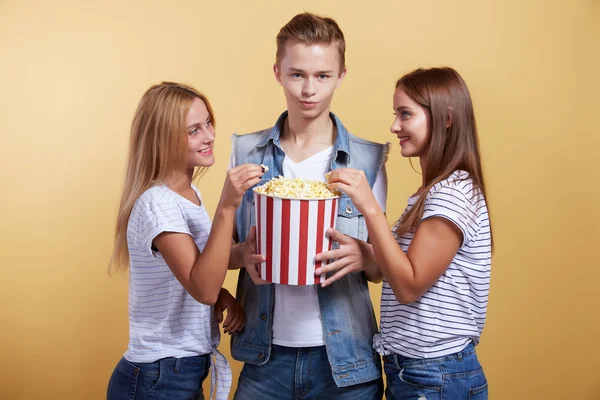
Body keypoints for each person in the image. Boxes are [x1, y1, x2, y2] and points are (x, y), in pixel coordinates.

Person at [229, 12, 388, 400]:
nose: (309, 90)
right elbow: (225, 252)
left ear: (341, 75)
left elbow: (383, 269)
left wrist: (363, 255)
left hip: (346, 363)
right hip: (265, 359)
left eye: (322, 76)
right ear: (278, 72)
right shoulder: (246, 152)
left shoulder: (367, 160)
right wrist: (242, 255)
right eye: (297, 74)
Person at [326, 67, 492, 399]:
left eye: (406, 114)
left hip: (436, 374)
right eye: (395, 114)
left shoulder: (452, 195)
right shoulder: (434, 192)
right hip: (418, 372)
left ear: (446, 118)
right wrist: (368, 256)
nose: (394, 126)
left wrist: (369, 206)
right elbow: (411, 269)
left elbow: (409, 286)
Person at [106, 82, 264, 400]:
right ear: (163, 140)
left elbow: (199, 264)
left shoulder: (187, 195)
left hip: (177, 371)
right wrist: (228, 205)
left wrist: (240, 255)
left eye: (207, 123)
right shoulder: (158, 203)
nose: (209, 135)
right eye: (194, 130)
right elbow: (201, 286)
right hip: (158, 376)